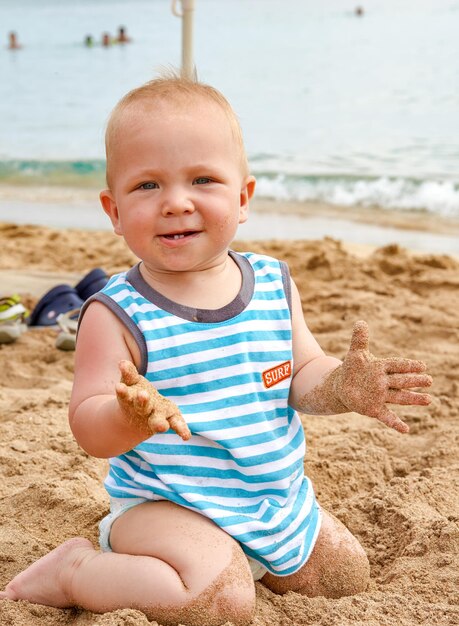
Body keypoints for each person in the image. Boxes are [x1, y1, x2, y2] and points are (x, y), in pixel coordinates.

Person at [0, 74, 433, 625]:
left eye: (203, 179)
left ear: (243, 197)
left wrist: (339, 386)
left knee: (347, 575)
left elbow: (301, 373)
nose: (177, 203)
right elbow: (88, 426)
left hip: (271, 500)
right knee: (221, 601)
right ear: (113, 210)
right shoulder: (117, 313)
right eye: (147, 186)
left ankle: (253, 556)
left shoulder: (274, 284)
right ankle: (76, 571)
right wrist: (128, 416)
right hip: (165, 506)